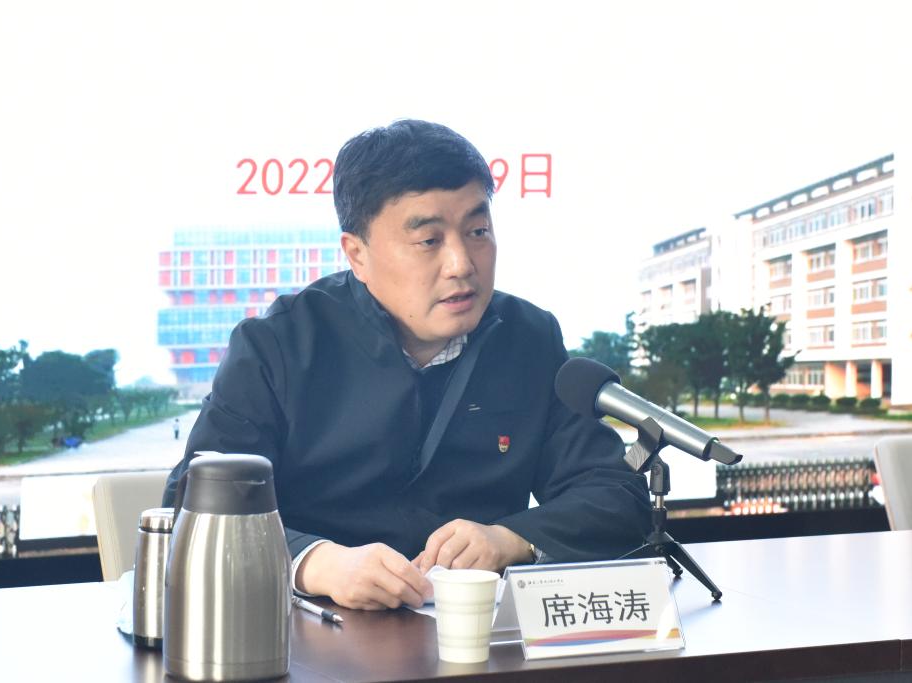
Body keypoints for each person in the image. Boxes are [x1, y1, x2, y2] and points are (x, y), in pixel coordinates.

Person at [163, 120, 650, 611]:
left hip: (473, 630)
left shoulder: (529, 338)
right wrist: (316, 563)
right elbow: (193, 510)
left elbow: (614, 494)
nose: (462, 264)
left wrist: (512, 538)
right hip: (309, 630)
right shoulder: (278, 345)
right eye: (429, 241)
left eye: (478, 232)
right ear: (357, 254)